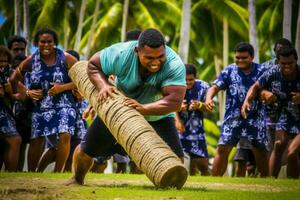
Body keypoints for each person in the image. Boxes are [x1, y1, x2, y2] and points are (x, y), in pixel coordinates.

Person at [67, 28, 186, 185]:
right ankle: (77, 179)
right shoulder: (121, 54)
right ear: (137, 51)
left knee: (176, 160)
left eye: (160, 56)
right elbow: (93, 66)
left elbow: (175, 101)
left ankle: (169, 190)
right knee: (85, 150)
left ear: (165, 50)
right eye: (149, 57)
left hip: (158, 115)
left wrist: (144, 108)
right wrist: (103, 86)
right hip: (121, 111)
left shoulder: (174, 64)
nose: (156, 62)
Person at [10, 28, 78, 172]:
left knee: (65, 134)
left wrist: (63, 87)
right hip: (41, 106)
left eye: (49, 42)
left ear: (55, 43)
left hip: (64, 104)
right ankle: (32, 173)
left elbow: (83, 79)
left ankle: (57, 172)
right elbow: (14, 78)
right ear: (36, 43)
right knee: (36, 140)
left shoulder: (66, 58)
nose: (46, 45)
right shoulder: (31, 61)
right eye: (42, 41)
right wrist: (27, 92)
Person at [205, 42, 269, 177]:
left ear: (252, 57)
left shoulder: (262, 71)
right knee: (223, 148)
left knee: (260, 151)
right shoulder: (229, 70)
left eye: (244, 58)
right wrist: (209, 99)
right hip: (233, 118)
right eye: (237, 57)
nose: (240, 60)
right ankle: (214, 181)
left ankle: (267, 181)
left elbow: (270, 90)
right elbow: (214, 87)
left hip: (256, 117)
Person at [241, 46, 300, 179]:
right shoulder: (273, 72)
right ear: (278, 62)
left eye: (290, 63)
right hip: (286, 114)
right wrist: (246, 101)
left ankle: (292, 185)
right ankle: (270, 182)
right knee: (278, 145)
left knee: (292, 152)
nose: (287, 66)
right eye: (283, 63)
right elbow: (255, 87)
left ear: (296, 60)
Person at [175, 64, 210, 176]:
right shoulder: (173, 85)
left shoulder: (203, 86)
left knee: (203, 165)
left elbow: (210, 108)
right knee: (178, 162)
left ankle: (207, 183)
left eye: (191, 79)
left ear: (196, 77)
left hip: (197, 131)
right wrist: (178, 110)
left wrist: (199, 105)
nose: (188, 82)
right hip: (178, 130)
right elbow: (165, 105)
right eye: (185, 80)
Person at [0, 45, 22, 171]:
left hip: (4, 111)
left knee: (15, 140)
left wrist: (10, 93)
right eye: (0, 61)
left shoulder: (10, 72)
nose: (2, 64)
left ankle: (11, 174)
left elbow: (20, 95)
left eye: (5, 61)